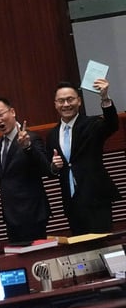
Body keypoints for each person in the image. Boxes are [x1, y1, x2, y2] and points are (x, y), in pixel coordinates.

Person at [48, 79, 120, 234]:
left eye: (70, 99)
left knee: (103, 245)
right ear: (55, 104)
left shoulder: (92, 124)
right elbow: (52, 168)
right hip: (71, 202)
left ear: (79, 101)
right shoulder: (52, 134)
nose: (66, 104)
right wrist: (53, 167)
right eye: (61, 101)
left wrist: (105, 98)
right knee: (80, 250)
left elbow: (112, 124)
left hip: (96, 198)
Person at [0, 98, 50, 242]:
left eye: (1, 114)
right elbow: (5, 177)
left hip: (32, 213)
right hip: (11, 216)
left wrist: (27, 147)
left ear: (12, 112)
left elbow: (45, 168)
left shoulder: (31, 138)